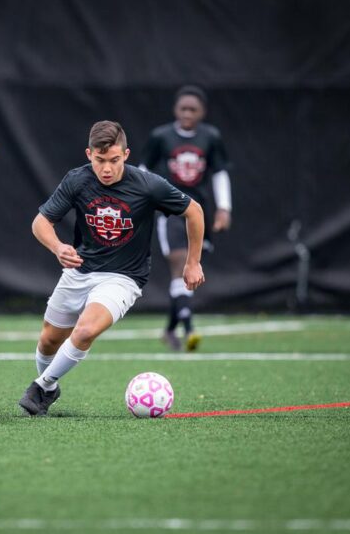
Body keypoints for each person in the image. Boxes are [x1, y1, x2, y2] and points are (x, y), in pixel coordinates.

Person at [18, 121, 204, 416]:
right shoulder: (77, 180)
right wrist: (58, 247)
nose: (107, 168)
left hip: (124, 278)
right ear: (88, 154)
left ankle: (40, 387)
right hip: (79, 271)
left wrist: (192, 262)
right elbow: (40, 222)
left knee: (85, 331)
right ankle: (49, 390)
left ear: (126, 155)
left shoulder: (147, 184)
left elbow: (193, 211)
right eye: (100, 160)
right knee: (48, 340)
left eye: (114, 160)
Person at [142, 85, 232, 351]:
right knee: (181, 265)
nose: (187, 113)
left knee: (190, 273)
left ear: (202, 112)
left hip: (197, 213)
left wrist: (224, 208)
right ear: (175, 110)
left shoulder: (211, 137)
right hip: (168, 212)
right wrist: (140, 203)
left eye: (193, 109)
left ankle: (170, 329)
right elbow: (143, 170)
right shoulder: (161, 137)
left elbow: (219, 173)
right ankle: (189, 328)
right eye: (183, 108)